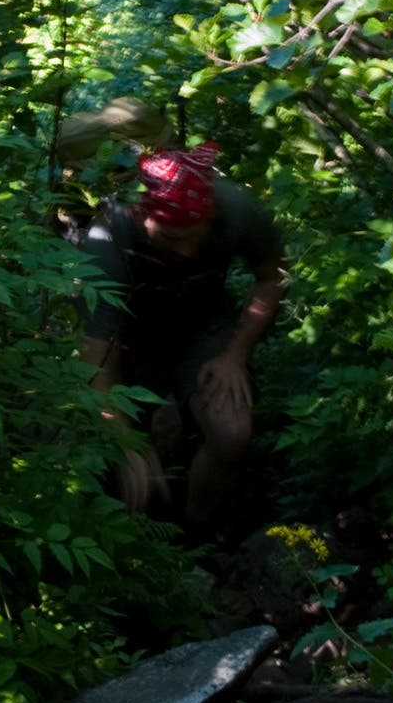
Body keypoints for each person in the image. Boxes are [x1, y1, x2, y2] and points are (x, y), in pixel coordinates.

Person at [76, 141, 286, 530]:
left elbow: (273, 276)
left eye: (196, 236)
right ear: (142, 216)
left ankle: (196, 532)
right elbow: (94, 360)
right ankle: (139, 543)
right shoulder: (108, 242)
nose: (187, 251)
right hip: (128, 336)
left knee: (231, 434)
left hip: (202, 325)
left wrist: (234, 356)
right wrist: (124, 439)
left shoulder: (236, 211)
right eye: (171, 238)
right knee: (121, 466)